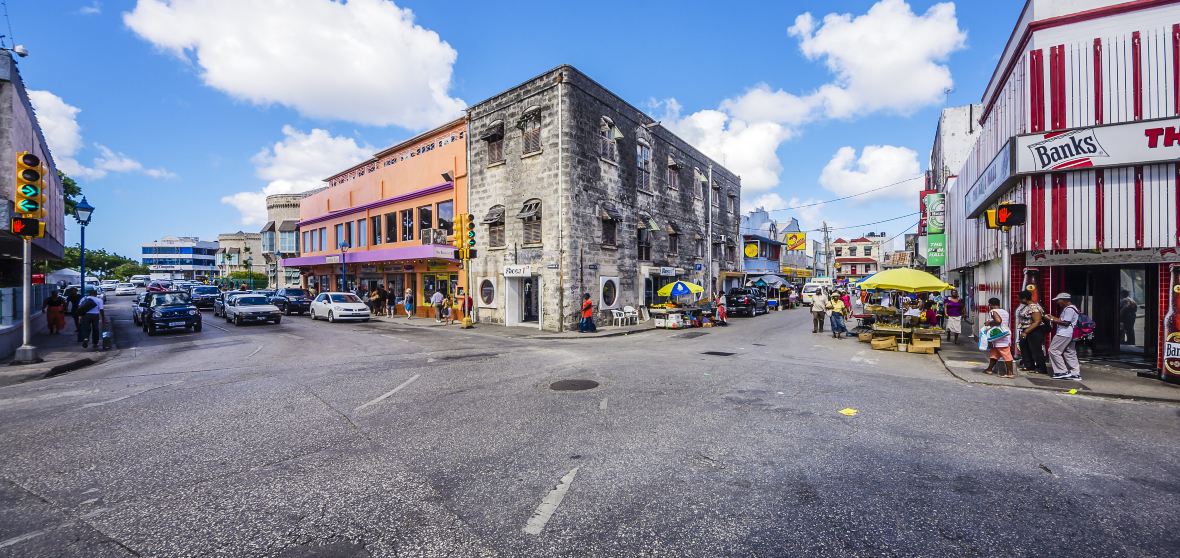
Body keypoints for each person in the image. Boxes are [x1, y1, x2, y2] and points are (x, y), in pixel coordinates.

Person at [1046, 292, 1082, 380]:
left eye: (1059, 300)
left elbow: (1066, 323)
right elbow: (1064, 320)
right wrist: (1053, 317)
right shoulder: (1073, 308)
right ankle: (1075, 373)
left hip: (1064, 333)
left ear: (1065, 300)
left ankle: (1062, 372)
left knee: (1053, 350)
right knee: (1070, 353)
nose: (1058, 302)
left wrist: (1050, 319)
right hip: (1070, 333)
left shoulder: (1069, 309)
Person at [1016, 290, 1049, 374]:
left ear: (1024, 298)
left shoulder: (1034, 307)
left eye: (1019, 298)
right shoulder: (1026, 306)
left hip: (1034, 331)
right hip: (1026, 330)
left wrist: (1026, 332)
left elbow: (1037, 321)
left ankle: (1041, 368)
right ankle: (1029, 366)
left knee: (1036, 349)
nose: (1018, 300)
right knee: (1024, 347)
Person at [983, 297, 1014, 378]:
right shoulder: (1005, 312)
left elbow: (998, 321)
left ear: (990, 305)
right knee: (994, 353)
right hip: (1002, 335)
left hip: (999, 336)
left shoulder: (993, 311)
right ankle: (989, 369)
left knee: (1006, 354)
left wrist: (988, 322)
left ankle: (1010, 373)